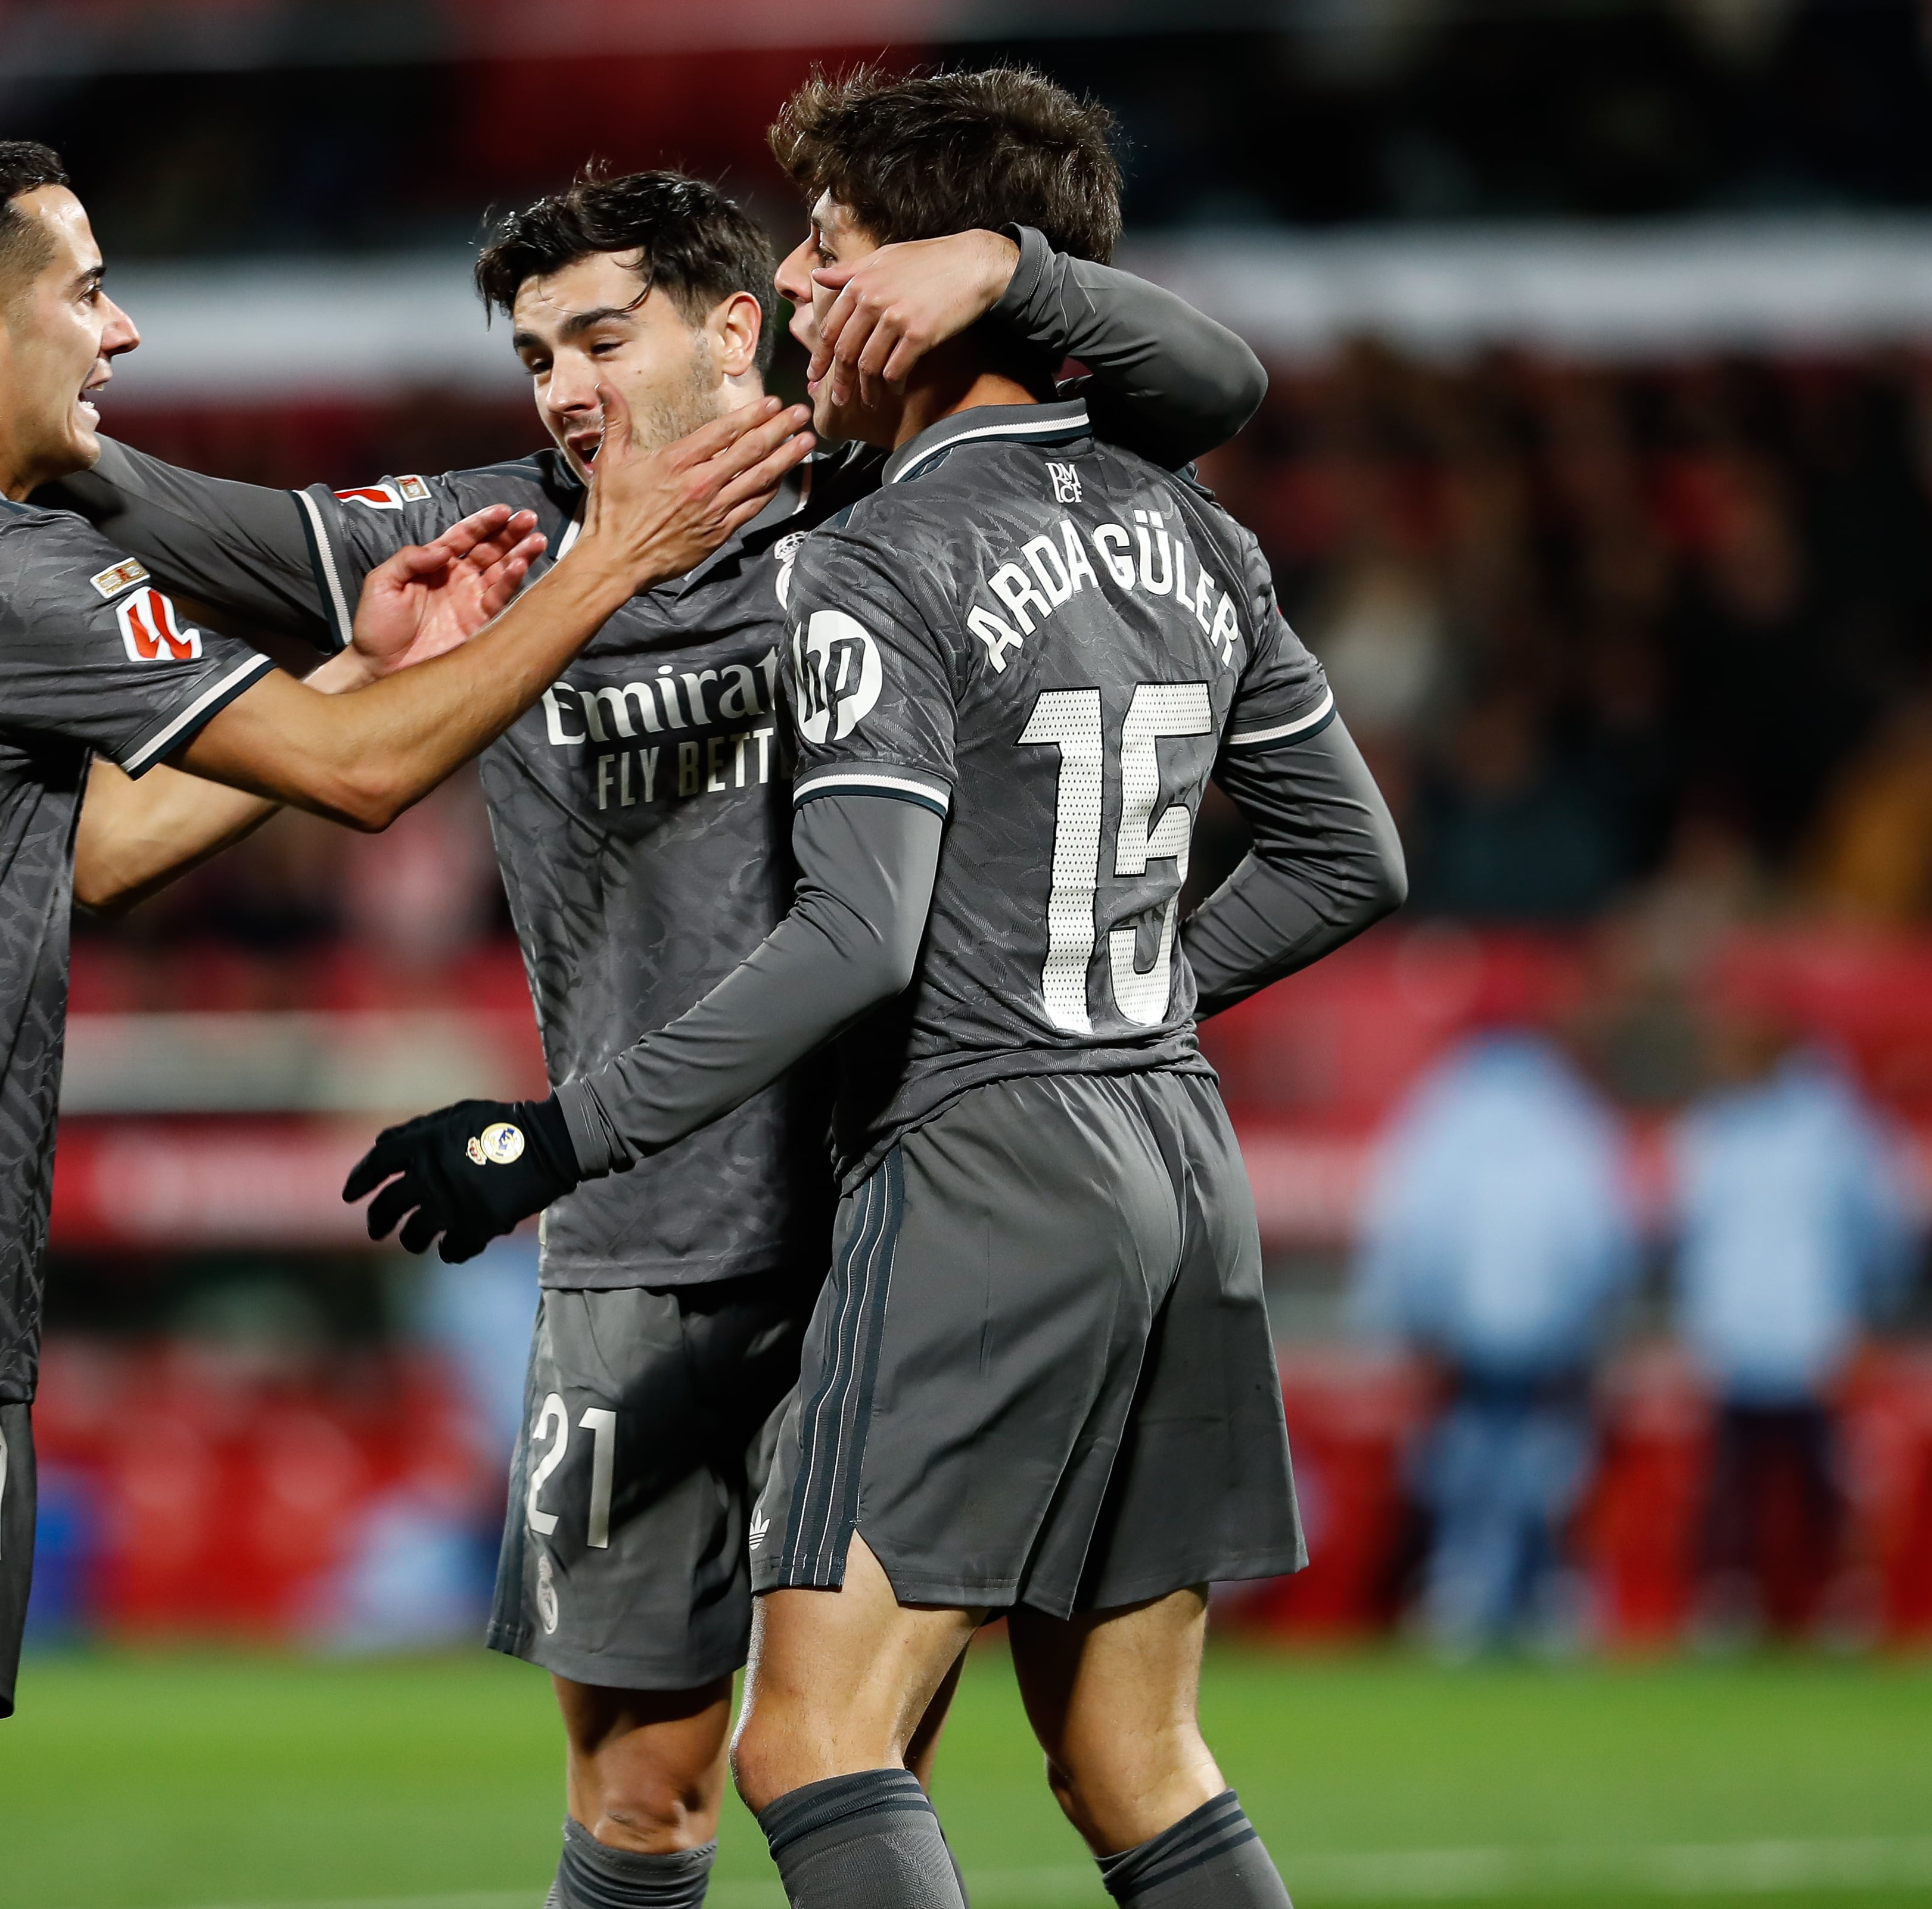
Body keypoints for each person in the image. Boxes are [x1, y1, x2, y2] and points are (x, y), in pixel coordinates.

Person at [0, 163, 1267, 1909]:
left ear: (739, 332)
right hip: (630, 1257)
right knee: (642, 1791)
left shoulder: (875, 502)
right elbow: (222, 547)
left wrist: (1003, 266)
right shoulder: (502, 522)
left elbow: (1199, 395)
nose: (563, 387)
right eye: (532, 354)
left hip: (875, 1232)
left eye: (600, 337)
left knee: (857, 1747)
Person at [0, 138, 810, 1909]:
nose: (117, 333)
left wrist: (353, 663)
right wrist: (607, 562)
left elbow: (84, 851)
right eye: (79, 295)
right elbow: (365, 777)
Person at [349, 69, 1404, 1909]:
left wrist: (556, 1132)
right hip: (1175, 1154)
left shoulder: (873, 557)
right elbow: (1349, 860)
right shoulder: (1189, 523)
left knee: (811, 1742)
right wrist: (1106, 993)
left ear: (930, 288)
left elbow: (856, 941)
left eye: (831, 258)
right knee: (1133, 1757)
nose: (806, 302)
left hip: (982, 1168)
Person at [1352, 1027, 1636, 1653]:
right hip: (1552, 1332)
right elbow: (1602, 1235)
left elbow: (1412, 1224)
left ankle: (1465, 1591)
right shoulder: (1571, 1117)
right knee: (1547, 1462)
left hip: (1466, 1330)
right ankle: (1547, 1593)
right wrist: (1596, 1317)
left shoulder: (1442, 1112)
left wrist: (1411, 1316)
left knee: (1467, 1462)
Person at [1669, 976, 1922, 1639]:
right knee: (1733, 1486)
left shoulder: (1835, 1128)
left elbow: (1881, 1229)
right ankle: (1730, 1601)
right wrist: (1701, 1320)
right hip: (1736, 1337)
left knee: (1824, 1486)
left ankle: (1843, 1601)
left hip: (1816, 1335)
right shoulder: (1713, 1127)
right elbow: (1696, 1237)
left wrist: (1869, 1312)